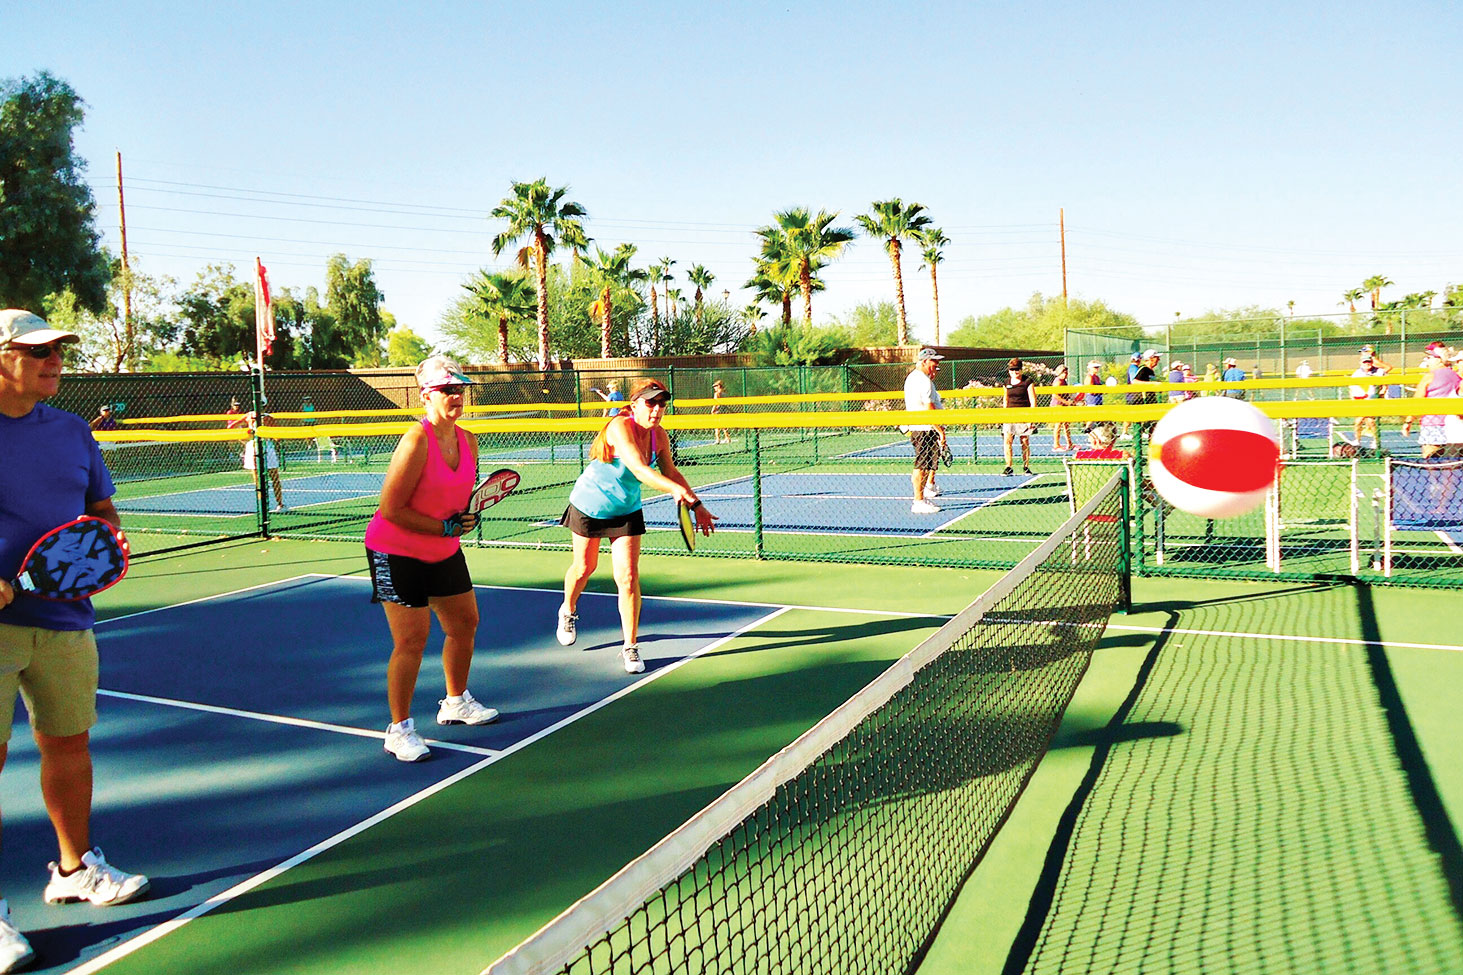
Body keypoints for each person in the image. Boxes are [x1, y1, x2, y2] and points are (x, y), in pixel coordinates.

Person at [0, 309, 150, 972]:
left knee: (68, 744)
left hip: (65, 620)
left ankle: (72, 868)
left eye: (59, 349)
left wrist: (99, 549)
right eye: (37, 351)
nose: (54, 359)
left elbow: (101, 513)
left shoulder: (70, 430)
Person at [365, 356, 499, 763]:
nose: (456, 396)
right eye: (446, 390)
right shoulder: (416, 440)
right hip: (395, 551)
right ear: (426, 395)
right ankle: (398, 729)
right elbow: (391, 509)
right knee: (411, 640)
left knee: (464, 624)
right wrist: (444, 528)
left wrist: (464, 519)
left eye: (460, 389)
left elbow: (455, 502)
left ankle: (455, 702)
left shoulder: (468, 440)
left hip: (443, 550)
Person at [557, 379, 716, 673]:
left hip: (626, 509)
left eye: (661, 404)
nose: (656, 409)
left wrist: (697, 505)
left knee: (628, 578)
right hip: (589, 504)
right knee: (583, 568)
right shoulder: (619, 426)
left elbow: (671, 471)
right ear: (634, 406)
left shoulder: (660, 436)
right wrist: (673, 491)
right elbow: (640, 470)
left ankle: (630, 646)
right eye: (650, 403)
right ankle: (568, 609)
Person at [1400, 343, 1462, 459]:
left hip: (1433, 424)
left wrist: (1408, 421)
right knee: (1453, 464)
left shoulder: (1429, 377)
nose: (1426, 360)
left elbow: (1417, 402)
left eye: (1429, 357)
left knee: (1430, 462)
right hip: (1454, 425)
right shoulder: (1456, 376)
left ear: (1439, 360)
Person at [903, 349, 946, 511]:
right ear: (924, 362)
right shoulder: (922, 381)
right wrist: (940, 430)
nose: (936, 364)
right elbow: (929, 408)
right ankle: (918, 501)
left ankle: (922, 497)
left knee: (926, 464)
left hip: (924, 427)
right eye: (933, 361)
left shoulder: (918, 378)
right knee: (921, 465)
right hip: (924, 429)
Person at [242, 411, 287, 512]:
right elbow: (277, 437)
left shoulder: (250, 415)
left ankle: (264, 506)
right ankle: (278, 504)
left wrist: (245, 439)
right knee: (273, 478)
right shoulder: (266, 417)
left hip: (254, 446)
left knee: (259, 480)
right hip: (262, 446)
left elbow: (232, 426)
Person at [1349, 350, 1393, 450]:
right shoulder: (1357, 373)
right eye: (1364, 362)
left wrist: (1382, 393)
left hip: (1373, 401)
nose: (1367, 364)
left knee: (1371, 422)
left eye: (1368, 362)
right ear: (1361, 363)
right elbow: (1352, 387)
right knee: (1358, 422)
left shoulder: (1379, 372)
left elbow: (1385, 384)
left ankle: (1375, 440)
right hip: (1361, 401)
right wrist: (1353, 398)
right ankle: (1357, 440)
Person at [1002, 357, 1037, 475]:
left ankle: (1026, 466)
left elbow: (1033, 400)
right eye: (1012, 370)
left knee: (1025, 441)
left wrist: (1031, 419)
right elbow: (1005, 399)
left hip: (1024, 415)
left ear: (1021, 370)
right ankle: (1008, 466)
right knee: (1008, 440)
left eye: (1017, 369)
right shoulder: (1006, 383)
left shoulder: (1027, 381)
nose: (1014, 372)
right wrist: (1004, 414)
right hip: (1010, 415)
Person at [1049, 364, 1074, 451]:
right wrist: (1066, 402)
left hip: (1063, 405)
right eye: (1063, 372)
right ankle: (1056, 445)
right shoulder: (1058, 382)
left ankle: (1070, 444)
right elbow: (1055, 395)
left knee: (1066, 425)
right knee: (1058, 425)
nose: (1065, 374)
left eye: (1066, 372)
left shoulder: (1064, 381)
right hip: (1057, 405)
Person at [711, 380, 731, 444]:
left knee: (717, 426)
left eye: (715, 386)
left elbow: (716, 403)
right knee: (724, 426)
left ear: (719, 386)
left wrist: (713, 410)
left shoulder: (716, 394)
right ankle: (727, 438)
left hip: (717, 411)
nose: (714, 388)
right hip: (723, 410)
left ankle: (718, 439)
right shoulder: (724, 393)